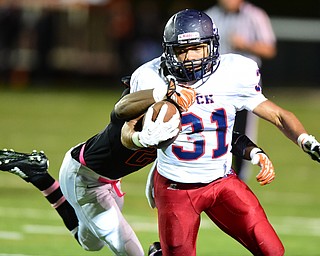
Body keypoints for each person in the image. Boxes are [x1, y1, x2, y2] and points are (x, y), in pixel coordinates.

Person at [121, 9, 320, 256]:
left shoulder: (234, 73)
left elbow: (278, 115)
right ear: (169, 51)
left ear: (212, 46)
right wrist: (140, 138)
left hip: (222, 182)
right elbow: (125, 129)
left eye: (197, 48)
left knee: (273, 252)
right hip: (176, 188)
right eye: (181, 50)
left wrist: (305, 140)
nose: (189, 57)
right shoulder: (150, 77)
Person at [0, 78, 272, 255]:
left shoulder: (170, 118)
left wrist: (256, 153)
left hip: (107, 180)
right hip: (84, 179)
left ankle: (38, 175)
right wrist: (145, 136)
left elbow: (222, 135)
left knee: (89, 242)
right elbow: (129, 136)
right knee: (132, 252)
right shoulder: (128, 120)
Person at [205, 0, 277, 180]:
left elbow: (269, 49)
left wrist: (245, 45)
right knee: (214, 128)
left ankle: (240, 179)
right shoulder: (209, 16)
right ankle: (213, 175)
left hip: (243, 85)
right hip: (215, 83)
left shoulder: (255, 16)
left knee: (244, 130)